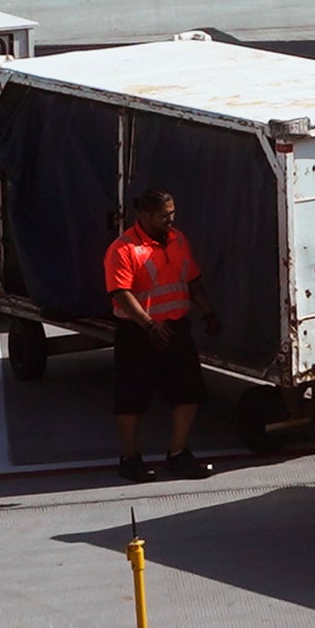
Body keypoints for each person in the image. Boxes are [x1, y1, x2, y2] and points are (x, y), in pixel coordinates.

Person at [104, 188, 213, 481]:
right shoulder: (123, 249)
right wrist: (149, 324)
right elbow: (120, 293)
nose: (171, 219)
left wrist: (207, 311)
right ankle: (130, 458)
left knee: (189, 393)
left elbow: (192, 280)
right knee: (132, 399)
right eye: (165, 215)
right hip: (138, 333)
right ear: (147, 215)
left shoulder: (178, 240)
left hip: (176, 329)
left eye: (173, 213)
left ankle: (178, 454)